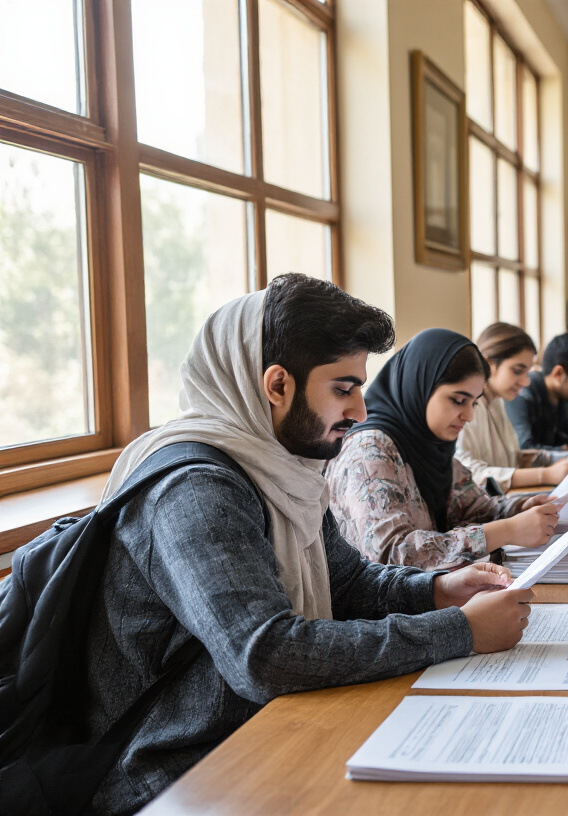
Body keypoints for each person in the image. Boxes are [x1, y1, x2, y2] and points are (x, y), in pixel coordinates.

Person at [77, 275, 533, 814]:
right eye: (343, 388)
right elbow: (266, 655)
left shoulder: (280, 467)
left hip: (267, 734)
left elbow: (348, 579)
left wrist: (437, 588)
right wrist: (459, 630)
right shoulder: (194, 488)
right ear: (277, 386)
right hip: (179, 774)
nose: (361, 411)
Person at [328, 329, 563, 570]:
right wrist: (506, 530)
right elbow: (391, 553)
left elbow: (471, 508)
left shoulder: (429, 443)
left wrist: (518, 508)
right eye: (458, 401)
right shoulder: (369, 451)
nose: (469, 415)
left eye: (474, 403)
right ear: (421, 386)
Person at [456, 322, 568, 491]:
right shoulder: (466, 408)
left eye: (527, 373)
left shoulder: (497, 401)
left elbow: (512, 458)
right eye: (517, 371)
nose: (526, 381)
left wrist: (562, 459)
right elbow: (469, 474)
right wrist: (545, 474)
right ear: (488, 364)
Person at [505, 332, 568, 449]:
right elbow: (525, 447)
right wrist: (562, 451)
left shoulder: (562, 397)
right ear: (558, 373)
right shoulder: (523, 394)